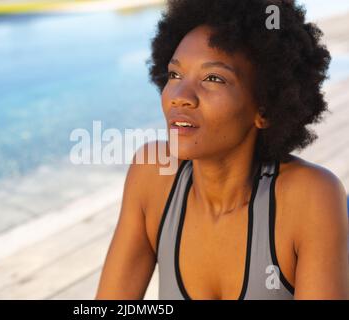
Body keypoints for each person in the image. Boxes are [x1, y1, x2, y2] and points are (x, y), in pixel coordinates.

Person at [95, 0, 348, 300]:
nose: (180, 97)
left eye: (213, 78)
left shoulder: (311, 198)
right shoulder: (153, 175)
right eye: (175, 75)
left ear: (264, 109)